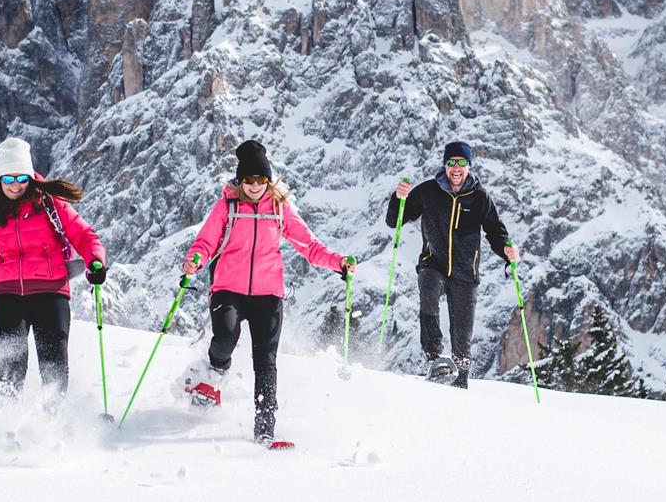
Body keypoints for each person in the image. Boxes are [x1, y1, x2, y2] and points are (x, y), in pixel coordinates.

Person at [182, 139, 354, 448]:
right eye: (249, 179)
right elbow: (205, 243)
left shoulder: (279, 209)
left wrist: (338, 262)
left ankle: (265, 429)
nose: (254, 185)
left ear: (269, 180)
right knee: (225, 339)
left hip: (268, 295)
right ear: (240, 180)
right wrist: (194, 260)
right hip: (228, 290)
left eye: (261, 180)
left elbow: (309, 246)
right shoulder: (227, 207)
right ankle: (213, 374)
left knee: (266, 361)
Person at [0, 138, 107, 399]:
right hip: (7, 295)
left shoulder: (49, 203)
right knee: (12, 363)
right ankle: (7, 426)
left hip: (50, 290)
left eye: (21, 177)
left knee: (53, 364)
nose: (16, 185)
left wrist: (95, 261)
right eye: (8, 179)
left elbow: (85, 236)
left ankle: (51, 423)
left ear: (30, 176)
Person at [383, 141, 517, 389]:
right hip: (433, 262)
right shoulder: (428, 191)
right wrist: (398, 198)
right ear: (445, 165)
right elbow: (395, 220)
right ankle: (434, 357)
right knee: (429, 294)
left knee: (463, 333)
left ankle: (461, 379)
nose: (456, 168)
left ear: (469, 165)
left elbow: (495, 230)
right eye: (451, 163)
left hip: (466, 272)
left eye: (461, 163)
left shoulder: (479, 197)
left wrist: (507, 251)